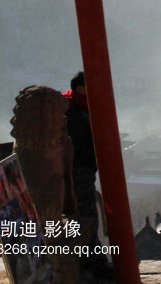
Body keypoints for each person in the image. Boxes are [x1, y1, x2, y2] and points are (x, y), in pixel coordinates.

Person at [62, 72, 113, 277]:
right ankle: (95, 261)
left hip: (81, 168)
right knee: (86, 215)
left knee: (84, 215)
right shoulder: (75, 112)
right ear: (80, 88)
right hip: (79, 170)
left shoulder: (78, 108)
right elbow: (75, 145)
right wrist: (91, 161)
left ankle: (90, 259)